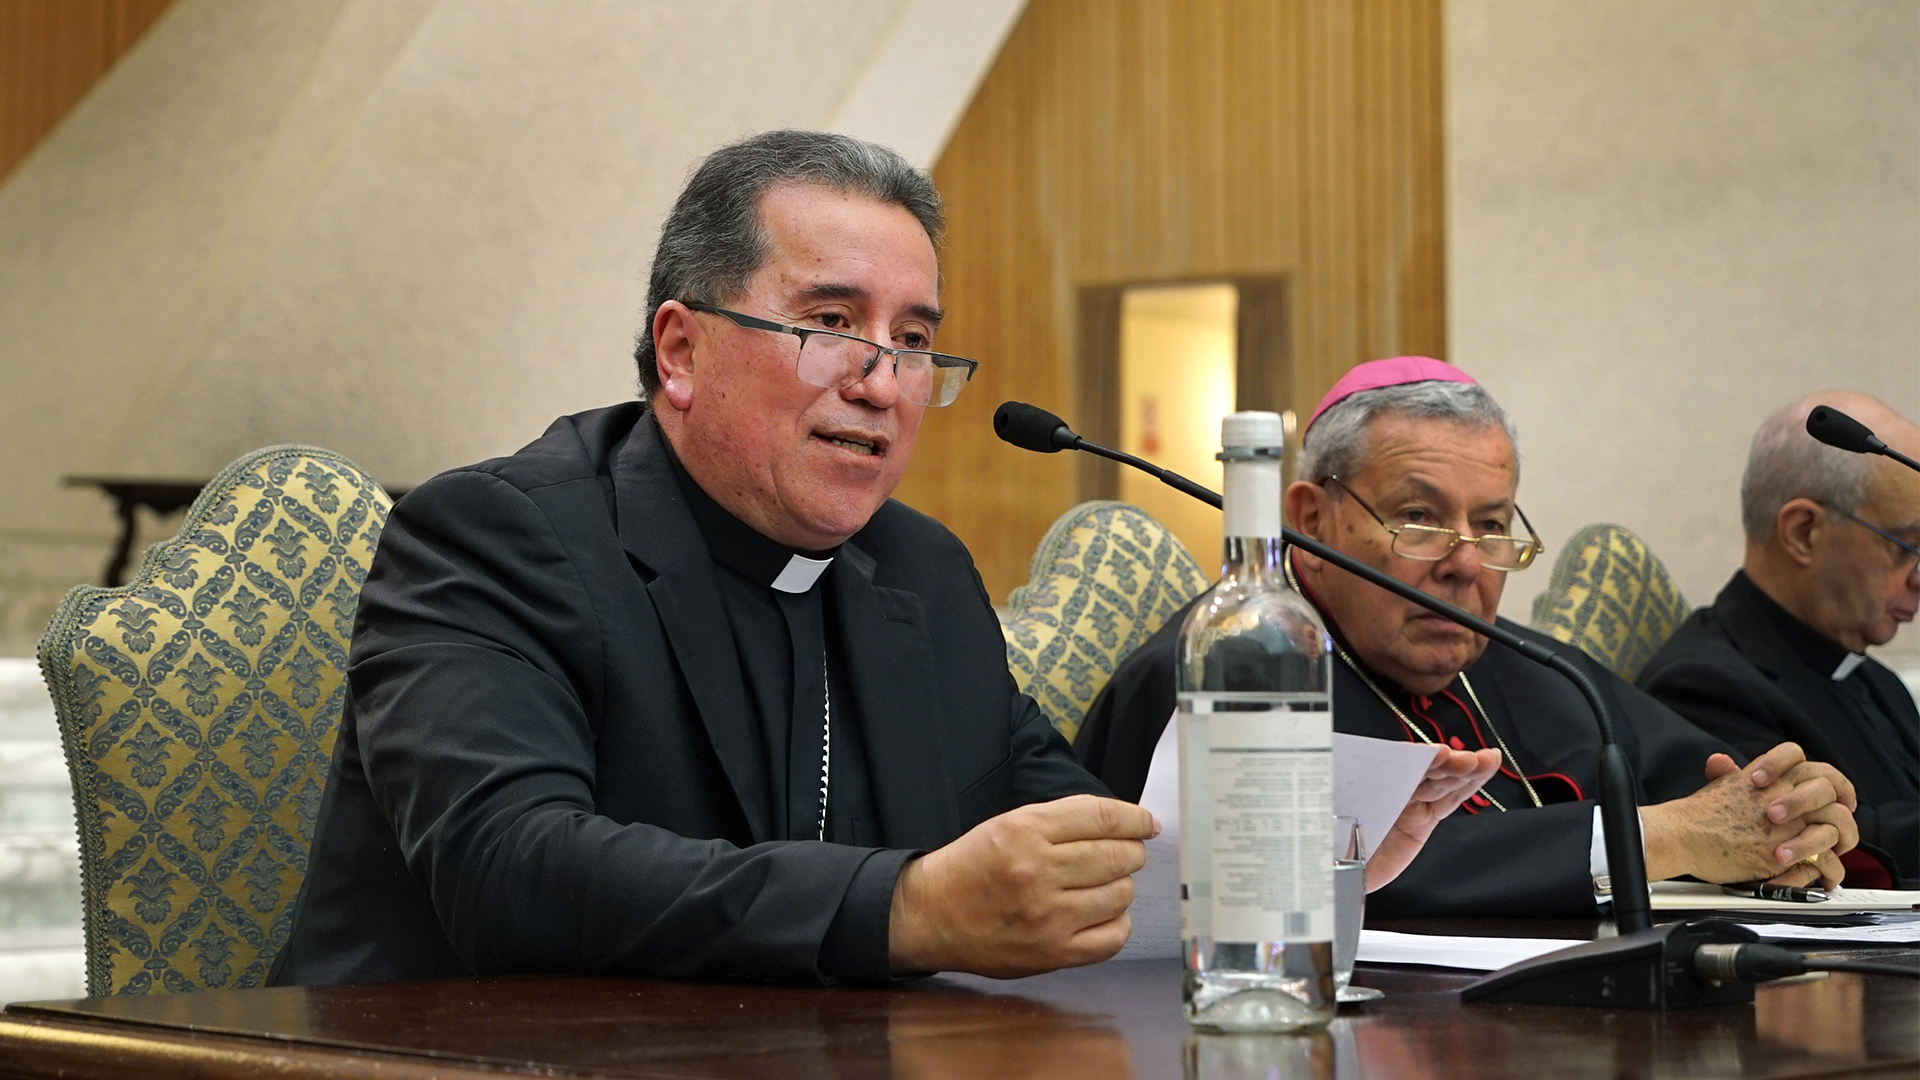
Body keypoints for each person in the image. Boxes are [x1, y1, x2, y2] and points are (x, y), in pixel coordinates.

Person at [272, 133, 1496, 987]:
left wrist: (1289, 857)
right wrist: (904, 910)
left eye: (915, 340)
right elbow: (509, 869)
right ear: (681, 351)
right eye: (828, 323)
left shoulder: (915, 571)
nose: (883, 379)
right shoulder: (499, 535)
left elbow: (1054, 825)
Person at [1076, 357, 1862, 918]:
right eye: (1419, 518)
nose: (1463, 564)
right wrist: (1657, 837)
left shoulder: (1536, 666)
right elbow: (1310, 880)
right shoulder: (1223, 666)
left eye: (1491, 526)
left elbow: (1715, 797)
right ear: (1311, 519)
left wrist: (1789, 819)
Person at [1638, 392, 1919, 887]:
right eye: (1908, 547)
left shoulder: (1874, 676)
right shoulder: (1701, 682)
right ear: (1804, 532)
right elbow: (1799, 846)